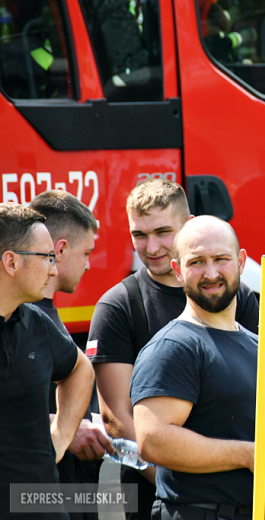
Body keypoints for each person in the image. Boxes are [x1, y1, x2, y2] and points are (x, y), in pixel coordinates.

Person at [130, 216, 265, 520]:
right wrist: (250, 455)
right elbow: (153, 441)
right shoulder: (174, 347)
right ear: (178, 271)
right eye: (197, 262)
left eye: (221, 259)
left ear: (241, 262)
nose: (211, 273)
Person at [88, 179, 260, 520]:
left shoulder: (238, 299)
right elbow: (117, 419)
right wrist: (185, 484)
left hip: (240, 494)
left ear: (189, 225)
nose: (151, 247)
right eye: (139, 235)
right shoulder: (120, 306)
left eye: (163, 232)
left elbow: (264, 387)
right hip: (158, 500)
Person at [0, 203, 95, 519]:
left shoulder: (37, 323)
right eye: (46, 257)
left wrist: (62, 436)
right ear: (11, 262)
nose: (54, 270)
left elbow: (80, 369)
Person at [29, 190, 113, 520]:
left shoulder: (43, 315)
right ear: (60, 249)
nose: (90, 264)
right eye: (87, 252)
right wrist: (63, 428)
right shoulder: (22, 319)